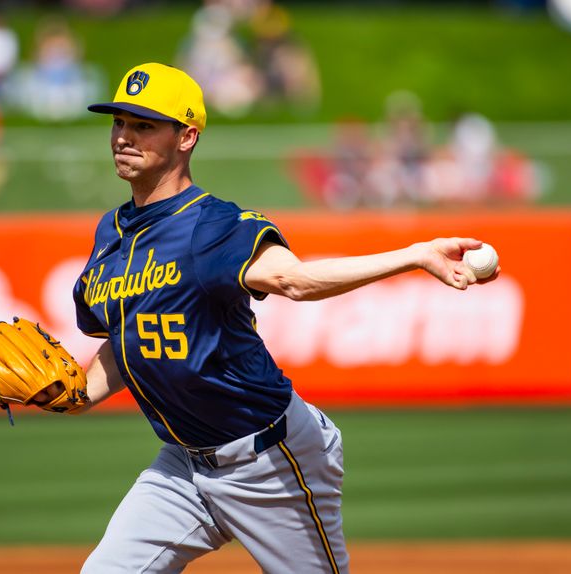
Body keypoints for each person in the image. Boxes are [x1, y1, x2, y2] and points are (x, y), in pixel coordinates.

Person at [34, 62, 499, 573]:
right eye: (119, 121)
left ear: (186, 136)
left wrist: (412, 255)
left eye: (144, 125)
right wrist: (74, 394)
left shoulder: (212, 225)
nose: (124, 136)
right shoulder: (112, 234)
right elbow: (130, 344)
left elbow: (293, 280)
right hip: (182, 467)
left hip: (269, 460)